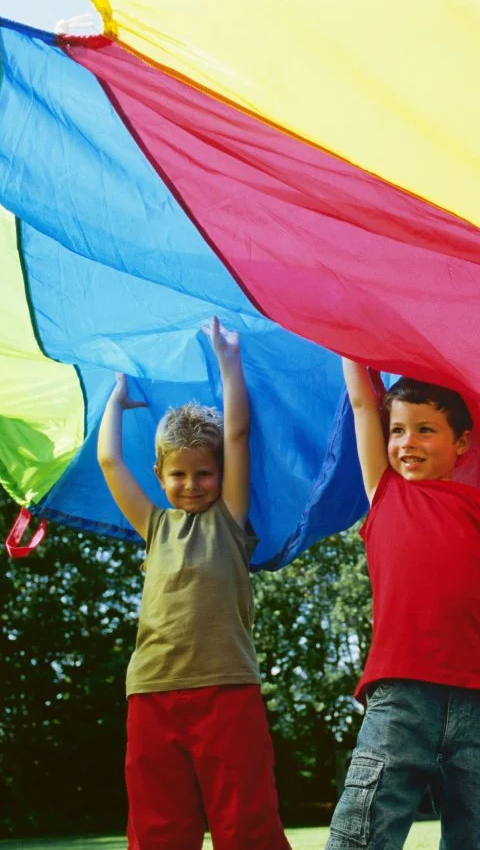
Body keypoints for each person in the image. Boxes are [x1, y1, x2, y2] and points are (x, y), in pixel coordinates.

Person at [97, 317, 289, 850]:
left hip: (226, 690)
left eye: (204, 473)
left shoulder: (229, 518)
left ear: (221, 476)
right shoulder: (152, 525)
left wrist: (228, 361)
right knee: (159, 828)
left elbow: (237, 433)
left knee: (245, 823)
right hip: (153, 694)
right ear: (159, 477)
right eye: (178, 475)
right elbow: (110, 461)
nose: (191, 484)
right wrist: (114, 402)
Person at [327, 363, 480, 850]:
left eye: (424, 430)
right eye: (397, 430)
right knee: (365, 825)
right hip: (401, 695)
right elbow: (361, 403)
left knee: (477, 830)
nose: (406, 442)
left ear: (461, 444)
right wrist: (345, 325)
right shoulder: (384, 491)